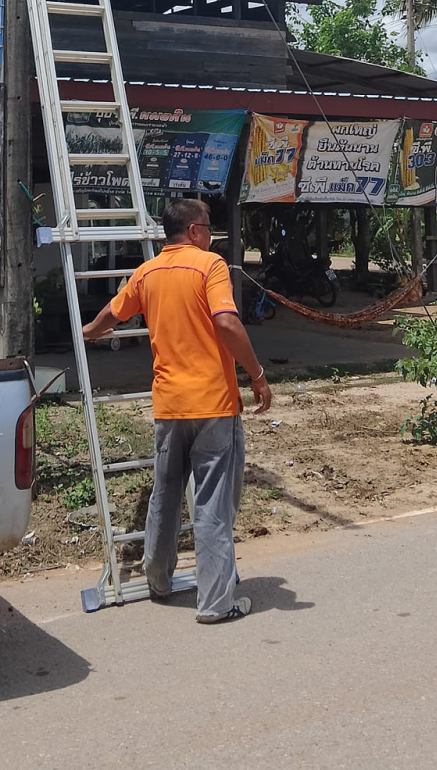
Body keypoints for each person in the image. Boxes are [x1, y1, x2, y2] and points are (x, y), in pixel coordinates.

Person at [82, 197, 272, 623]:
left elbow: (112, 314)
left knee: (165, 496)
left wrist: (87, 332)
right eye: (207, 226)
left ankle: (158, 581)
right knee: (213, 504)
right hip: (213, 404)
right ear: (192, 231)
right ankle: (216, 604)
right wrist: (257, 374)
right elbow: (226, 321)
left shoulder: (147, 273)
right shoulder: (210, 266)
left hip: (169, 406)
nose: (210, 235)